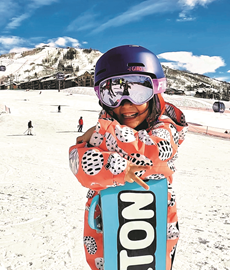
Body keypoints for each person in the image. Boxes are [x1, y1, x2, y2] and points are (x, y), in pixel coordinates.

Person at [69, 45, 188, 270]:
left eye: (138, 91)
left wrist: (100, 138)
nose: (125, 104)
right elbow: (79, 163)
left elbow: (152, 154)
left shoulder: (166, 126)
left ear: (156, 90)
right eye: (112, 93)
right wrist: (119, 168)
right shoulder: (106, 123)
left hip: (152, 225)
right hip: (104, 225)